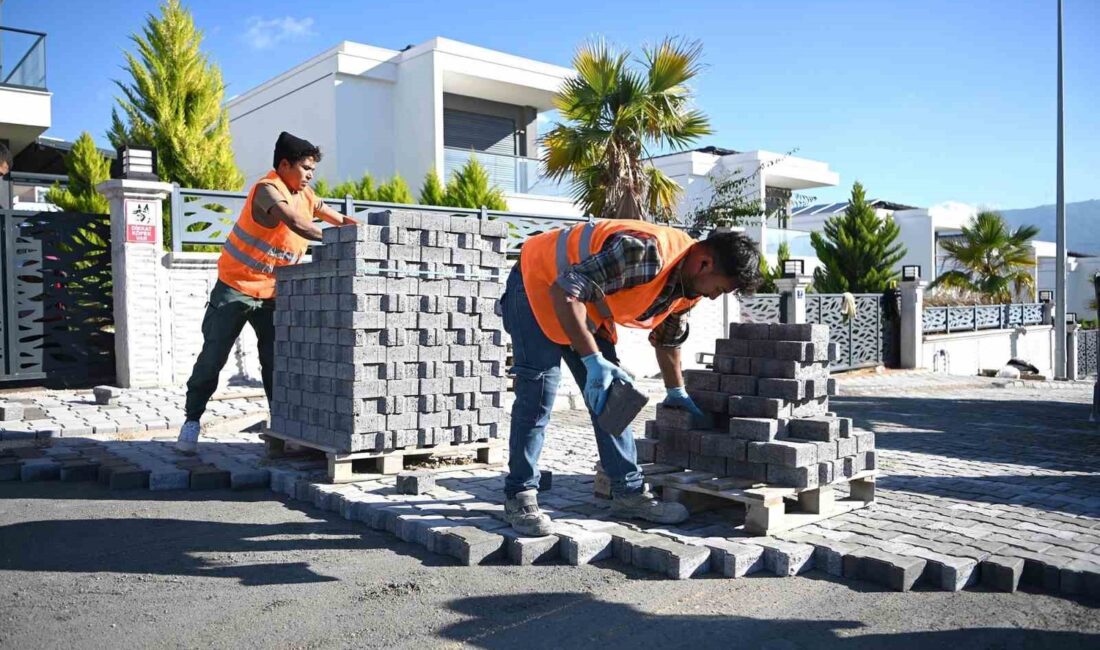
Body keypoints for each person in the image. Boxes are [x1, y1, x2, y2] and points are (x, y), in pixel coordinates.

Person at [500, 220, 762, 535]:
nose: (713, 298)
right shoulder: (644, 253)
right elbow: (564, 289)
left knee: (615, 394)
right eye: (718, 289)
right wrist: (593, 359)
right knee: (539, 390)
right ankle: (520, 494)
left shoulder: (687, 287)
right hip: (535, 282)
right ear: (705, 263)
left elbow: (667, 339)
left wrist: (675, 390)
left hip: (580, 302)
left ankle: (629, 493)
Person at [176, 132, 357, 453]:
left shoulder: (307, 195)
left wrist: (364, 232)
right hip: (235, 288)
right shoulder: (266, 189)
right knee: (213, 358)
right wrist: (337, 239)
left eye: (312, 169)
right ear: (284, 164)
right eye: (305, 168)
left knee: (277, 363)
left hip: (274, 295)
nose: (310, 175)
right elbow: (295, 223)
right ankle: (192, 421)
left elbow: (335, 217)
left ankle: (281, 426)